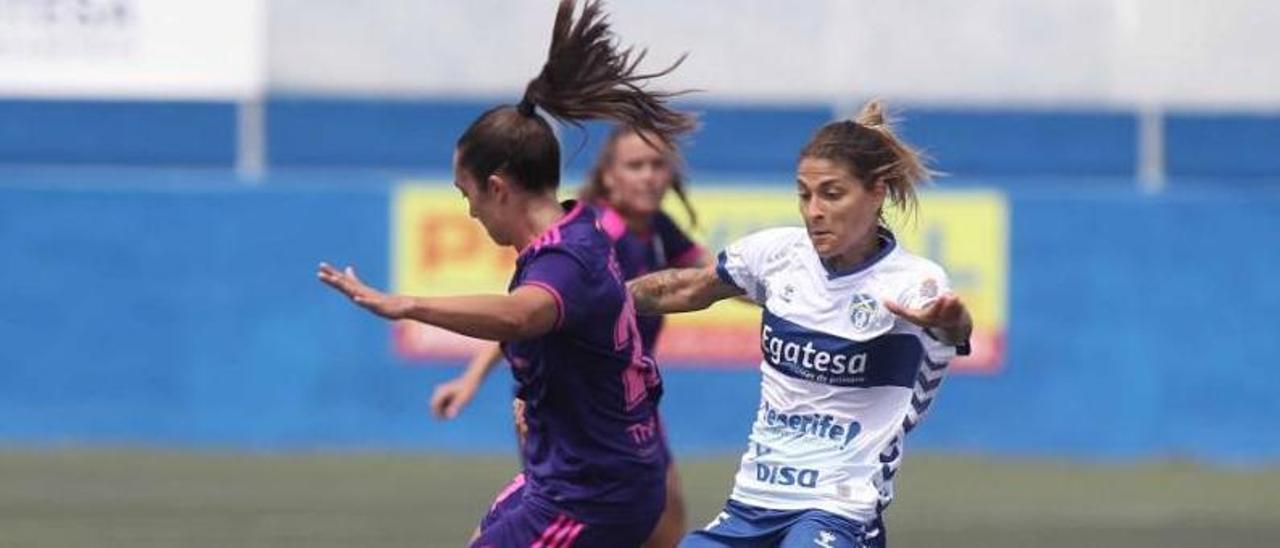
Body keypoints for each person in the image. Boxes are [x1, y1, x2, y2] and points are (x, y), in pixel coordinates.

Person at [318, 1, 696, 545]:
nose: (468, 210)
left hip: (589, 492)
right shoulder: (578, 229)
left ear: (497, 187)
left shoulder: (565, 260)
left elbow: (523, 315)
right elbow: (546, 327)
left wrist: (407, 304)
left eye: (466, 194)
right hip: (575, 473)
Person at [625, 100, 974, 548]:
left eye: (832, 194)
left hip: (841, 509)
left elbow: (951, 328)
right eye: (804, 194)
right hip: (751, 504)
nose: (813, 211)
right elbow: (687, 289)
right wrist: (597, 297)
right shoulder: (776, 255)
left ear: (877, 193)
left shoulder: (911, 280)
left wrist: (950, 321)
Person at [431, 124, 706, 548]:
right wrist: (471, 379)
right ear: (609, 176)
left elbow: (706, 279)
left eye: (657, 165)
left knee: (663, 526)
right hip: (578, 415)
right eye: (636, 165)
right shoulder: (596, 237)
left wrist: (778, 285)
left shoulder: (656, 230)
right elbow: (523, 313)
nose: (650, 175)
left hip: (622, 409)